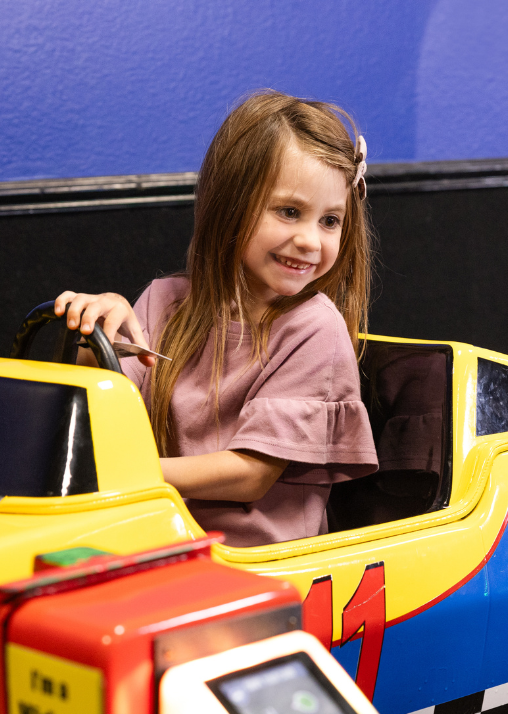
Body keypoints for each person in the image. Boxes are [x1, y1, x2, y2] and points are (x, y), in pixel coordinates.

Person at [54, 91, 378, 547]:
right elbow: (102, 415)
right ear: (230, 205)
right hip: (151, 541)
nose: (310, 240)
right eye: (289, 212)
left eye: (330, 221)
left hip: (254, 565)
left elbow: (249, 474)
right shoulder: (165, 300)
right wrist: (94, 334)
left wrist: (117, 473)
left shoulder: (314, 332)